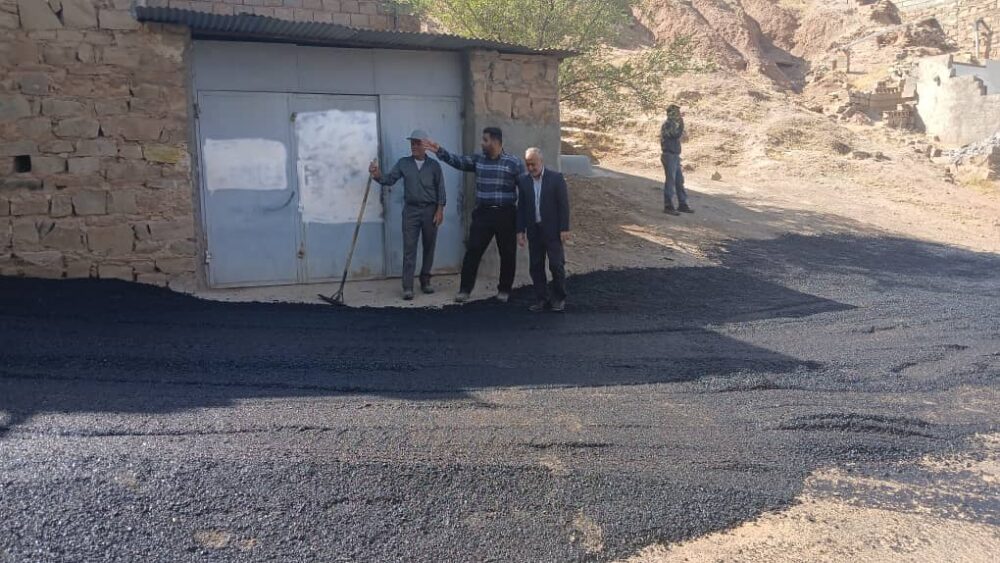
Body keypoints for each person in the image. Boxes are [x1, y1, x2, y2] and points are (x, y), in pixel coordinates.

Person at [422, 127, 525, 303]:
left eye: (485, 140)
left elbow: (524, 190)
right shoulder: (479, 159)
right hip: (483, 214)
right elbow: (459, 162)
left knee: (507, 254)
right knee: (473, 252)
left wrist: (523, 220)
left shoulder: (514, 163)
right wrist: (439, 150)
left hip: (506, 214)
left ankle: (504, 290)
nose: (482, 143)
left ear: (495, 141)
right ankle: (465, 290)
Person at [369, 129, 446, 300]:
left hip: (430, 210)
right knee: (409, 248)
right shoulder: (403, 163)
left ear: (425, 145)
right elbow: (388, 179)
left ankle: (425, 281)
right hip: (411, 211)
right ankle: (408, 287)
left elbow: (441, 189)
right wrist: (376, 174)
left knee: (429, 247)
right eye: (412, 143)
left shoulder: (434, 166)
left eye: (417, 143)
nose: (414, 146)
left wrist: (440, 210)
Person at [517, 148, 570, 313]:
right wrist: (520, 231)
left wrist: (564, 228)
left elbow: (563, 205)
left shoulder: (556, 178)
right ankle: (542, 299)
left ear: (541, 162)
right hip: (534, 231)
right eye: (528, 164)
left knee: (556, 265)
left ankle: (559, 298)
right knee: (536, 266)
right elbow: (521, 208)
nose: (530, 168)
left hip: (553, 231)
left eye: (533, 164)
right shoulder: (523, 181)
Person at [660, 104, 693, 215]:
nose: (679, 114)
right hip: (669, 155)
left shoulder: (672, 123)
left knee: (679, 181)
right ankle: (668, 206)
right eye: (677, 113)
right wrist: (681, 123)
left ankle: (682, 204)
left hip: (674, 155)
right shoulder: (668, 124)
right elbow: (675, 134)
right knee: (671, 182)